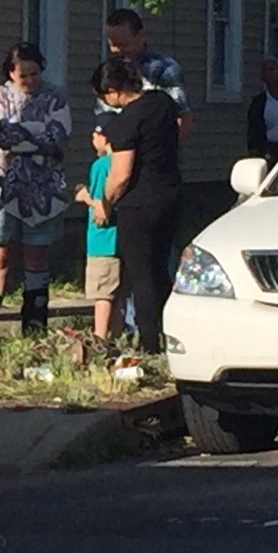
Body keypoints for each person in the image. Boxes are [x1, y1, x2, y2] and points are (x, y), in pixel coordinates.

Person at [0, 42, 72, 341]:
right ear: (10, 73)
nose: (30, 80)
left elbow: (58, 136)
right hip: (4, 186)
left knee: (37, 257)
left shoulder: (56, 96)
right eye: (23, 76)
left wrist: (22, 135)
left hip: (43, 188)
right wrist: (35, 136)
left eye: (35, 74)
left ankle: (34, 329)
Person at [94, 56, 181, 355]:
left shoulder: (126, 121)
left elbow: (121, 175)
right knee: (161, 270)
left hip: (139, 205)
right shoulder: (163, 104)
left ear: (113, 90)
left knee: (141, 276)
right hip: (169, 197)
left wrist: (105, 201)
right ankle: (175, 334)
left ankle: (149, 344)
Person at [103, 8, 193, 139]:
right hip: (115, 150)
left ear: (140, 36)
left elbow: (183, 119)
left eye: (123, 44)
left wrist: (158, 149)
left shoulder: (164, 68)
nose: (117, 51)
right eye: (112, 45)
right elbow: (103, 113)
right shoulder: (110, 70)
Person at [74, 115, 122, 340]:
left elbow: (101, 207)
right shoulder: (125, 163)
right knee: (119, 294)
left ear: (104, 137)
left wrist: (84, 197)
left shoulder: (101, 166)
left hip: (102, 241)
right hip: (121, 239)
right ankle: (118, 336)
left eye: (95, 135)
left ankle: (100, 338)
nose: (92, 140)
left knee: (102, 294)